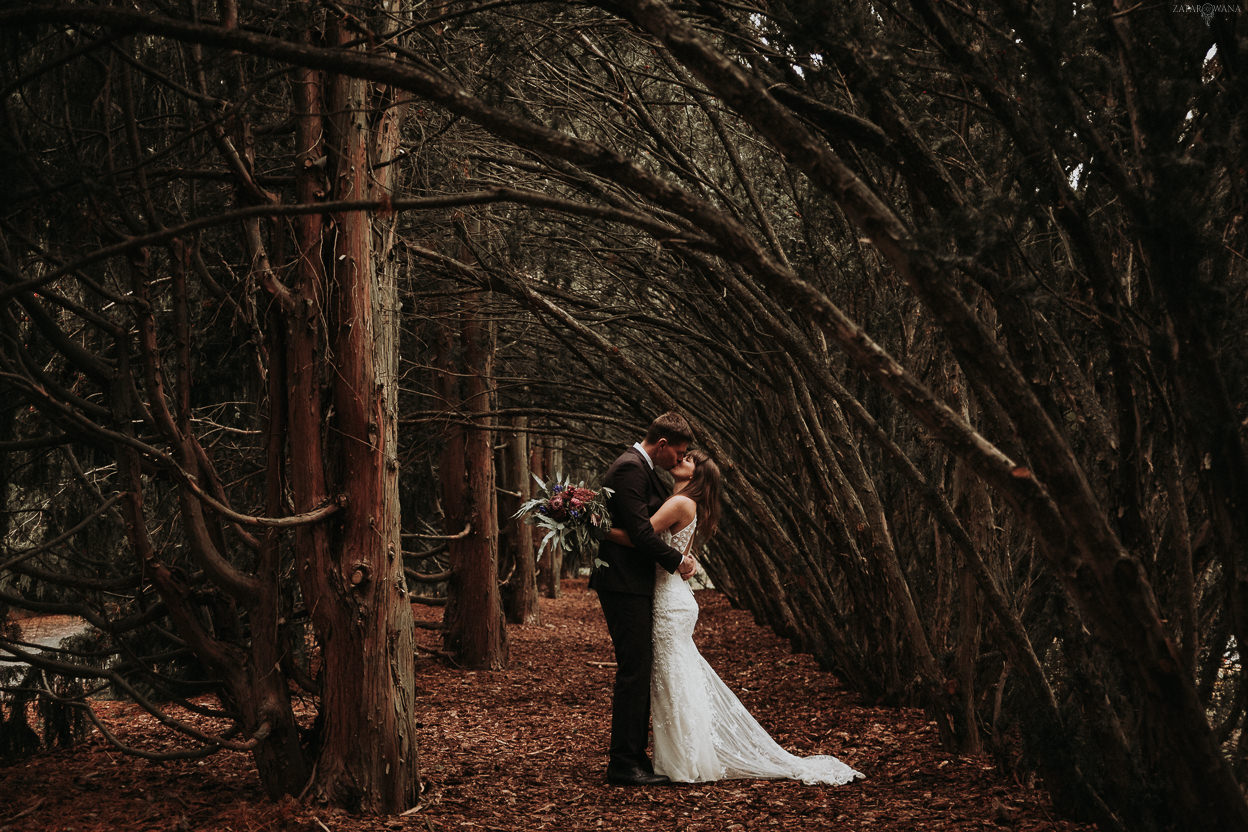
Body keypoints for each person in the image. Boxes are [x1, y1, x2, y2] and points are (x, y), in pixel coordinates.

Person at [608, 449, 864, 786]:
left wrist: (597, 527)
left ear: (696, 475)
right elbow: (673, 546)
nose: (680, 460)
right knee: (678, 679)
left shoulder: (680, 502)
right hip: (674, 595)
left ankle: (683, 761)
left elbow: (640, 538)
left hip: (669, 601)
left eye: (688, 460)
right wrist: (685, 558)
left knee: (673, 681)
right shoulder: (681, 501)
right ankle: (682, 756)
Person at [590, 411, 697, 786]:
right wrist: (677, 561)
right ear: (662, 444)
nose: (680, 460)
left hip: (632, 582)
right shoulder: (630, 468)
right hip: (622, 582)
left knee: (638, 670)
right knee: (634, 672)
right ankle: (624, 763)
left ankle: (634, 757)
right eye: (678, 453)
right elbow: (639, 532)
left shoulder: (640, 466)